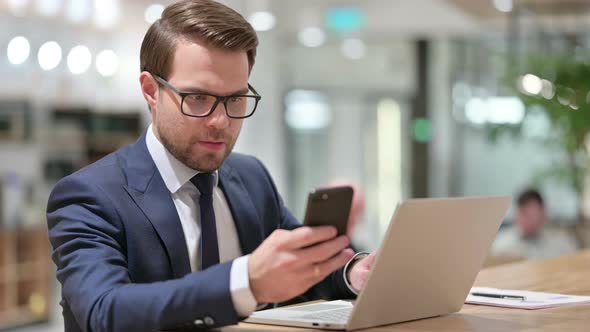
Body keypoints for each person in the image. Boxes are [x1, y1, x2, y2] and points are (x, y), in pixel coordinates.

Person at [46, 1, 376, 331]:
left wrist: (353, 273)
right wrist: (245, 282)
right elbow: (105, 311)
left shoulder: (251, 178)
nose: (220, 121)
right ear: (151, 91)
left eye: (235, 99)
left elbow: (303, 268)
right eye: (199, 99)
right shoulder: (89, 196)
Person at [492, 189, 578, 260]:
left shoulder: (561, 242)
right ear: (516, 215)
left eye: (534, 215)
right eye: (525, 214)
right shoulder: (501, 247)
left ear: (544, 214)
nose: (529, 221)